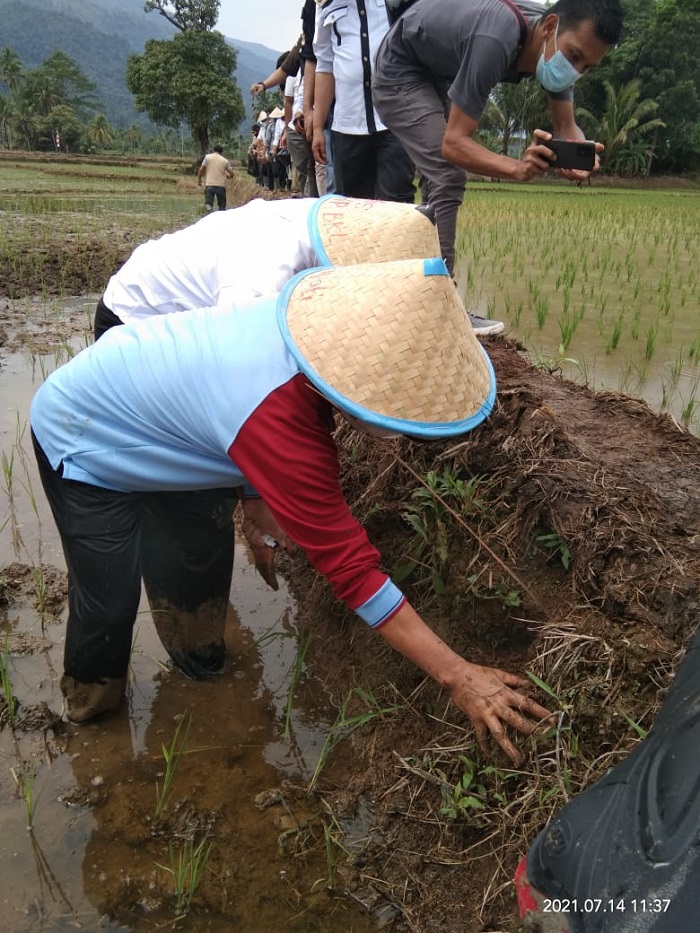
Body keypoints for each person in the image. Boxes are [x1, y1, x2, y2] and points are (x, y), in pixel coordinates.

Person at [31, 257, 551, 764]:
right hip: (82, 435)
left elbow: (222, 416)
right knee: (108, 601)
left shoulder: (303, 329)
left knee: (191, 572)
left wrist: (257, 509)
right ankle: (94, 729)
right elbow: (353, 572)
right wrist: (457, 674)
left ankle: (200, 676)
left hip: (169, 425)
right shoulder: (279, 416)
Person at [372, 0, 624, 329]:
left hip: (440, 70)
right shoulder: (496, 39)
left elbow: (566, 128)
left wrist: (578, 153)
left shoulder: (559, 47)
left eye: (586, 67)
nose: (574, 70)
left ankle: (410, 282)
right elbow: (454, 144)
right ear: (550, 27)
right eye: (575, 57)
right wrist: (518, 169)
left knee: (438, 183)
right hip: (400, 70)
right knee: (447, 174)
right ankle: (441, 307)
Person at [311, 0, 415, 203]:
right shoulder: (325, 4)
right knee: (354, 208)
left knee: (396, 204)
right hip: (348, 126)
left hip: (394, 121)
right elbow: (324, 64)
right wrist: (317, 127)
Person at [196, 144, 234, 211]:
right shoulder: (225, 161)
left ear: (213, 150)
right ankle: (220, 218)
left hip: (210, 186)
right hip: (220, 187)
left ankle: (210, 213)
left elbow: (201, 170)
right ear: (222, 152)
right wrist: (229, 176)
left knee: (208, 204)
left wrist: (199, 180)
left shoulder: (207, 157)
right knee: (222, 207)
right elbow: (232, 173)